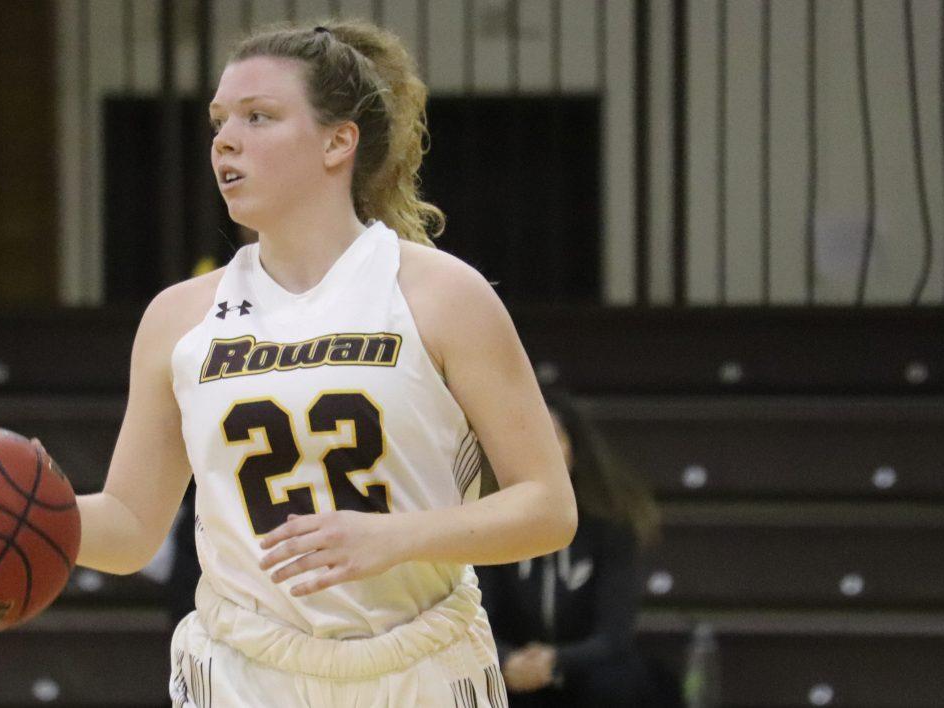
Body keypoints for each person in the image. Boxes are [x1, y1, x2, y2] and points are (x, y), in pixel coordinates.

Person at [67, 20, 576, 706]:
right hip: (243, 670)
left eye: (259, 116)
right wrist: (34, 515)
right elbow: (130, 528)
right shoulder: (178, 317)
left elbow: (547, 507)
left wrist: (397, 539)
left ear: (339, 141)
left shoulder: (442, 294)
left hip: (419, 665)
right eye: (219, 120)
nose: (224, 138)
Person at [476, 389, 669, 707]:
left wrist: (554, 661)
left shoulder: (613, 522)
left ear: (575, 450)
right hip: (513, 670)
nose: (538, 452)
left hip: (585, 670)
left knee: (621, 680)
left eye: (551, 439)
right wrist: (509, 659)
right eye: (526, 440)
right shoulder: (487, 519)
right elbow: (478, 617)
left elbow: (614, 634)